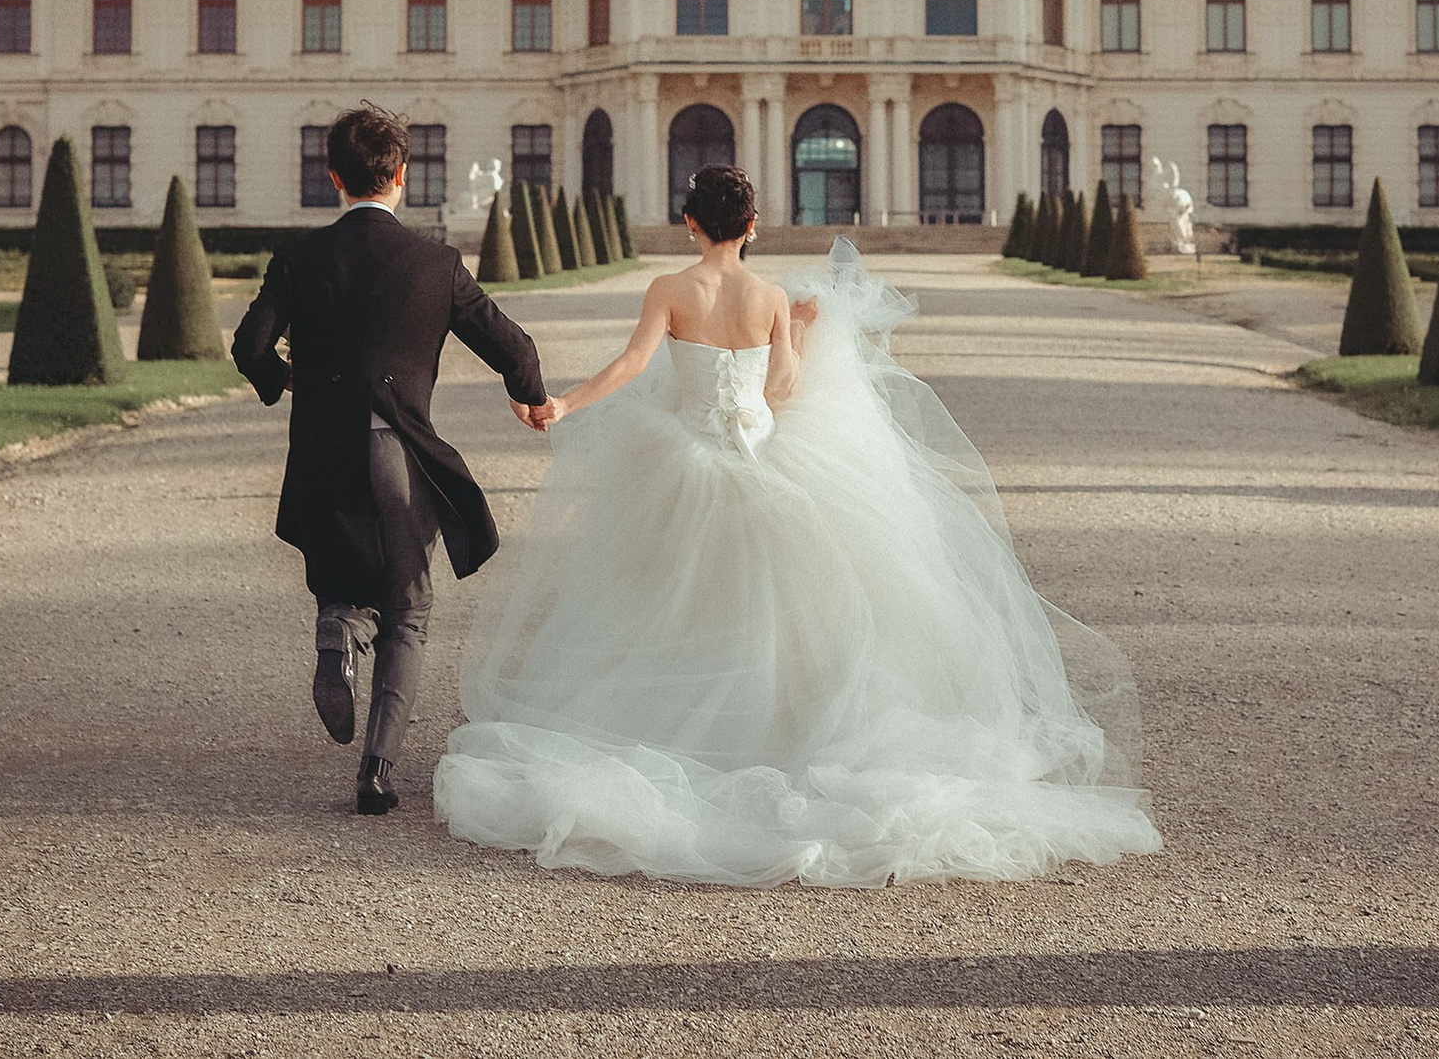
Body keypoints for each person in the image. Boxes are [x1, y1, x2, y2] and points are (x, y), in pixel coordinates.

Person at [434, 164, 1161, 885]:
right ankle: (784, 733)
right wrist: (803, 333)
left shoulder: (671, 288)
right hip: (762, 457)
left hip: (679, 459)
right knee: (791, 610)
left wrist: (563, 403)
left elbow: (631, 364)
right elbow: (780, 389)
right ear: (751, 227)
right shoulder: (772, 295)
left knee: (665, 602)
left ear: (691, 223)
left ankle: (682, 727)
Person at [232, 106, 550, 816]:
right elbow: (516, 346)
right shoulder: (435, 263)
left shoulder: (299, 259)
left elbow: (250, 349)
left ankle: (341, 629)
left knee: (344, 572)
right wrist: (529, 398)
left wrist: (287, 380)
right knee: (410, 605)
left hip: (324, 452)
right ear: (402, 177)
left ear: (334, 178)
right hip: (399, 450)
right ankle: (375, 773)